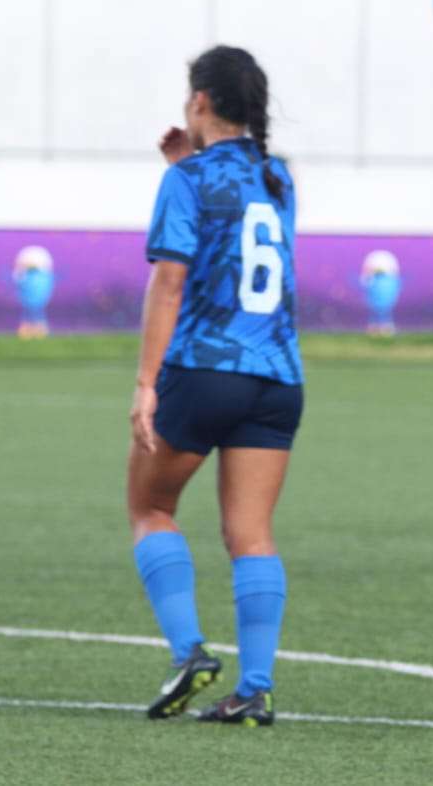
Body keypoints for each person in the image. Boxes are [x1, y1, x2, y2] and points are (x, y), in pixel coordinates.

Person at [127, 45, 303, 728]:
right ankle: (254, 688)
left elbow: (170, 280)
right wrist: (188, 164)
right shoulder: (280, 177)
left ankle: (189, 652)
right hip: (279, 380)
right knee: (251, 532)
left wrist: (147, 383)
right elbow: (240, 225)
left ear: (199, 101)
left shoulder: (188, 180)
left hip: (205, 370)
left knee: (150, 506)